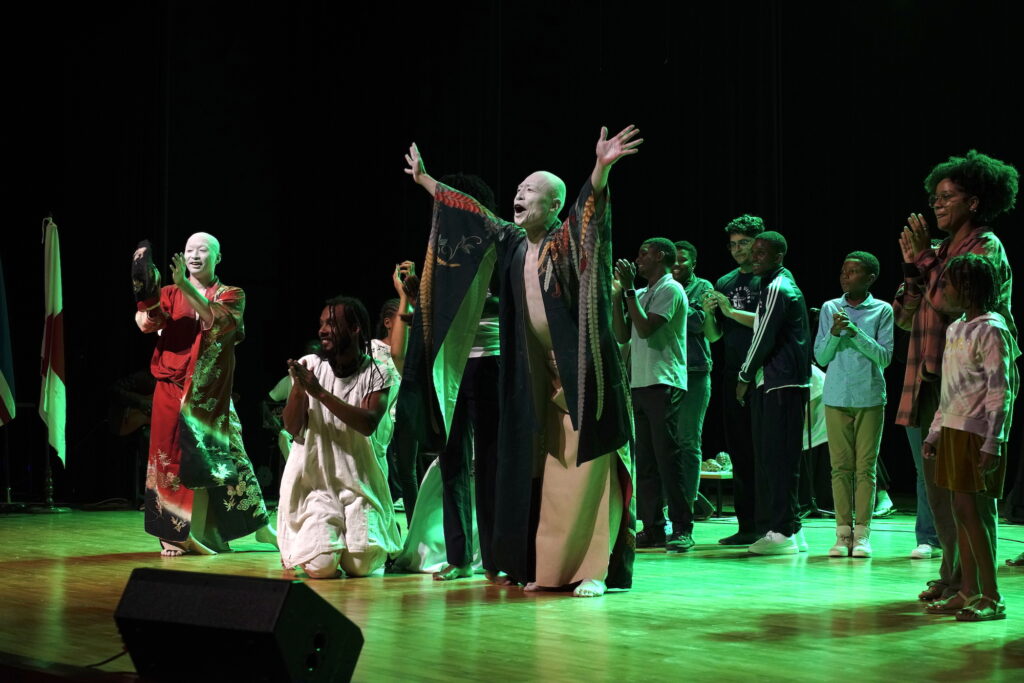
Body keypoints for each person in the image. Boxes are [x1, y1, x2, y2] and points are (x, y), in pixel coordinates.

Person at [402, 125, 641, 597]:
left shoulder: (565, 241)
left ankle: (594, 569)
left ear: (553, 206)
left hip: (581, 372)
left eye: (531, 191)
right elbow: (473, 214)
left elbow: (590, 213)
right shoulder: (514, 244)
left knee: (589, 472)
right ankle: (550, 569)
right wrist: (427, 181)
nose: (519, 194)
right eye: (519, 188)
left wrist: (600, 169)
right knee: (550, 475)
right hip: (535, 374)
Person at [894, 150, 1017, 605]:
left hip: (973, 389)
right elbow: (906, 317)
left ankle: (977, 586)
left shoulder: (985, 246)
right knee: (939, 489)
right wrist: (914, 268)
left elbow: (948, 300)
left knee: (969, 494)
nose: (937, 204)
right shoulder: (941, 251)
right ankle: (953, 575)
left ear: (975, 202)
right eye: (935, 197)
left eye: (947, 196)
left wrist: (925, 260)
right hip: (932, 381)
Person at [133, 232, 275, 556]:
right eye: (189, 250)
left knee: (227, 458)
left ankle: (256, 525)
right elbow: (146, 323)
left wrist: (184, 285)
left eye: (202, 250)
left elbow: (217, 322)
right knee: (170, 457)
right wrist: (147, 299)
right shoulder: (170, 293)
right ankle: (173, 533)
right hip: (172, 386)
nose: (194, 255)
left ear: (218, 257)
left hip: (211, 394)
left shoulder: (232, 294)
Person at [923, 254, 1020, 620]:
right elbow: (949, 390)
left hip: (976, 432)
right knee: (959, 511)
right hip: (952, 430)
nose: (943, 290)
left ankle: (992, 596)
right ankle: (969, 589)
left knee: (972, 510)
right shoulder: (955, 329)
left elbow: (1000, 390)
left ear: (968, 287)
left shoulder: (991, 329)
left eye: (948, 284)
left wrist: (994, 441)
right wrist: (935, 431)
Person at [277, 295, 402, 579]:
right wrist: (300, 390)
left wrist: (320, 393)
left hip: (359, 483)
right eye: (321, 323)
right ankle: (323, 537)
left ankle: (361, 537)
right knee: (321, 567)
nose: (322, 330)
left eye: (331, 324)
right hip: (316, 485)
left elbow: (367, 423)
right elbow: (293, 427)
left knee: (361, 565)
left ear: (355, 328)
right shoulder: (311, 365)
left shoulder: (377, 372)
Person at [612, 238, 693, 552]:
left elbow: (646, 329)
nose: (637, 259)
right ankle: (653, 527)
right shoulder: (642, 293)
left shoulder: (671, 289)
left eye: (643, 253)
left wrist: (628, 291)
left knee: (668, 458)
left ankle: (682, 527)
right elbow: (622, 335)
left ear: (660, 256)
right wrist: (618, 298)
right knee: (645, 461)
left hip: (664, 382)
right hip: (640, 383)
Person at [813, 251, 894, 557]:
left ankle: (862, 535)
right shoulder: (830, 307)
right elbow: (821, 357)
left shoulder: (882, 310)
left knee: (865, 468)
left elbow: (884, 357)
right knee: (840, 468)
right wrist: (835, 334)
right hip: (836, 397)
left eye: (853, 271)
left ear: (870, 278)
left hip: (869, 396)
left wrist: (856, 332)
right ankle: (842, 533)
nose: (845, 276)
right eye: (843, 271)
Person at [736, 231, 811, 555]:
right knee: (779, 457)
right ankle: (792, 527)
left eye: (761, 253)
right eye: (753, 252)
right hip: (783, 383)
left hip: (781, 383)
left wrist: (744, 374)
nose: (754, 258)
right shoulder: (777, 283)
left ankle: (781, 532)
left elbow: (763, 337)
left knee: (776, 458)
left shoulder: (778, 287)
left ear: (778, 256)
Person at [703, 216, 763, 545]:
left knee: (764, 450)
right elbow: (715, 336)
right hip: (732, 373)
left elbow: (770, 323)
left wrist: (728, 311)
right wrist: (709, 313)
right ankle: (747, 525)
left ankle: (772, 525)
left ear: (759, 243)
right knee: (739, 451)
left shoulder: (770, 278)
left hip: (764, 375)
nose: (737, 250)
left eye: (744, 243)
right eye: (733, 245)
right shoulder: (725, 281)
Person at [672, 240, 716, 519]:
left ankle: (687, 505)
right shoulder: (659, 286)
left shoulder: (703, 287)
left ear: (694, 263)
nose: (677, 264)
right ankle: (677, 502)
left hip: (694, 372)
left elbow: (700, 323)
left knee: (688, 440)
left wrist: (672, 302)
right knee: (666, 443)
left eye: (683, 259)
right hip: (664, 372)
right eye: (673, 259)